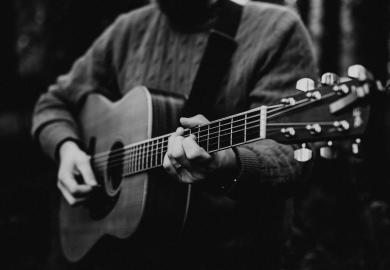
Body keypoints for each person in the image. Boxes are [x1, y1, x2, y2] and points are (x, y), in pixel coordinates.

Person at [32, 0, 317, 269]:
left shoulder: (277, 30)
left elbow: (290, 155)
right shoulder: (128, 31)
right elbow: (54, 103)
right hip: (126, 257)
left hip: (233, 255)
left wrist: (227, 162)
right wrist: (66, 148)